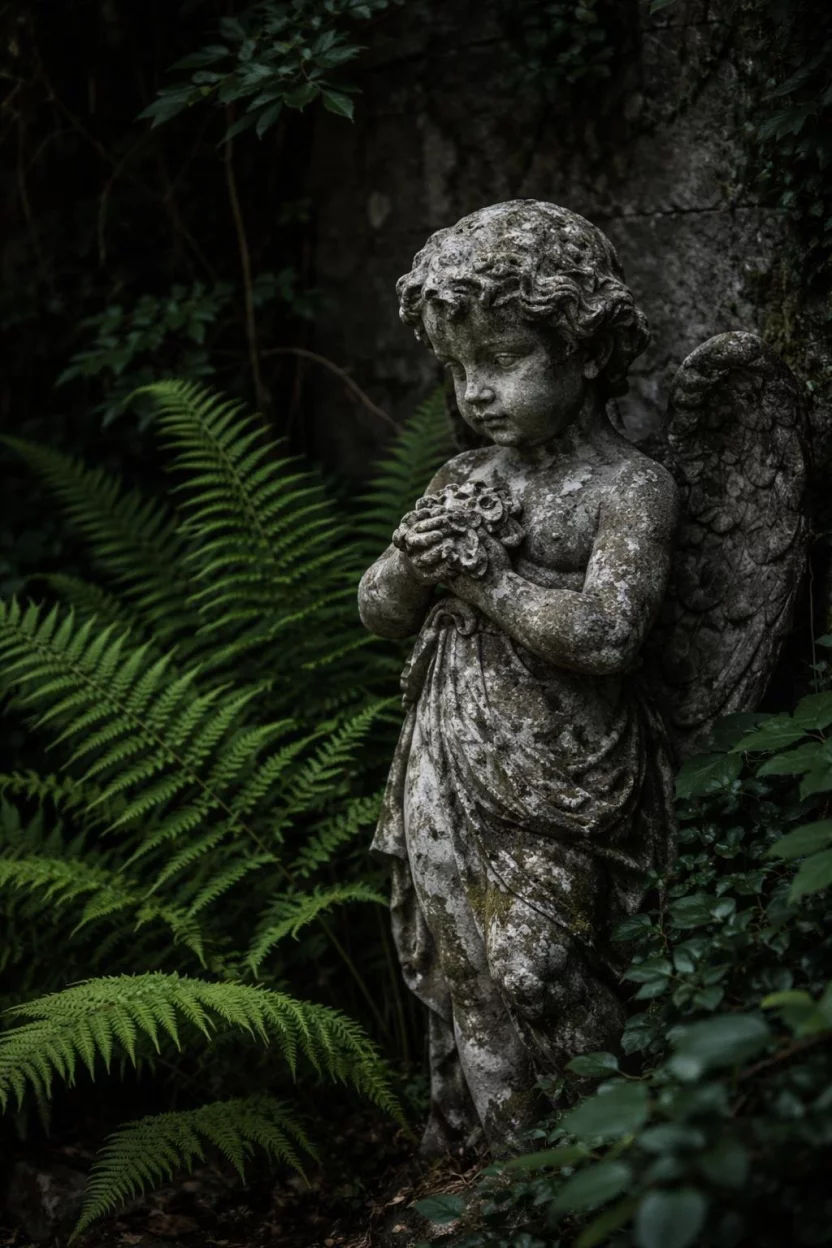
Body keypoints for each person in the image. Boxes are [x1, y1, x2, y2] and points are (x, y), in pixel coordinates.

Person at [358, 200, 679, 1152]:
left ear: (586, 350)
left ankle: (611, 1152)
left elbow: (608, 634)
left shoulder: (631, 489)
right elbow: (375, 607)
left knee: (535, 964)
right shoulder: (460, 480)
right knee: (467, 972)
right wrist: (416, 566)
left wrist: (489, 580)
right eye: (458, 369)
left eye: (501, 360)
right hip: (447, 755)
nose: (476, 392)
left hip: (567, 771)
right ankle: (504, 1169)